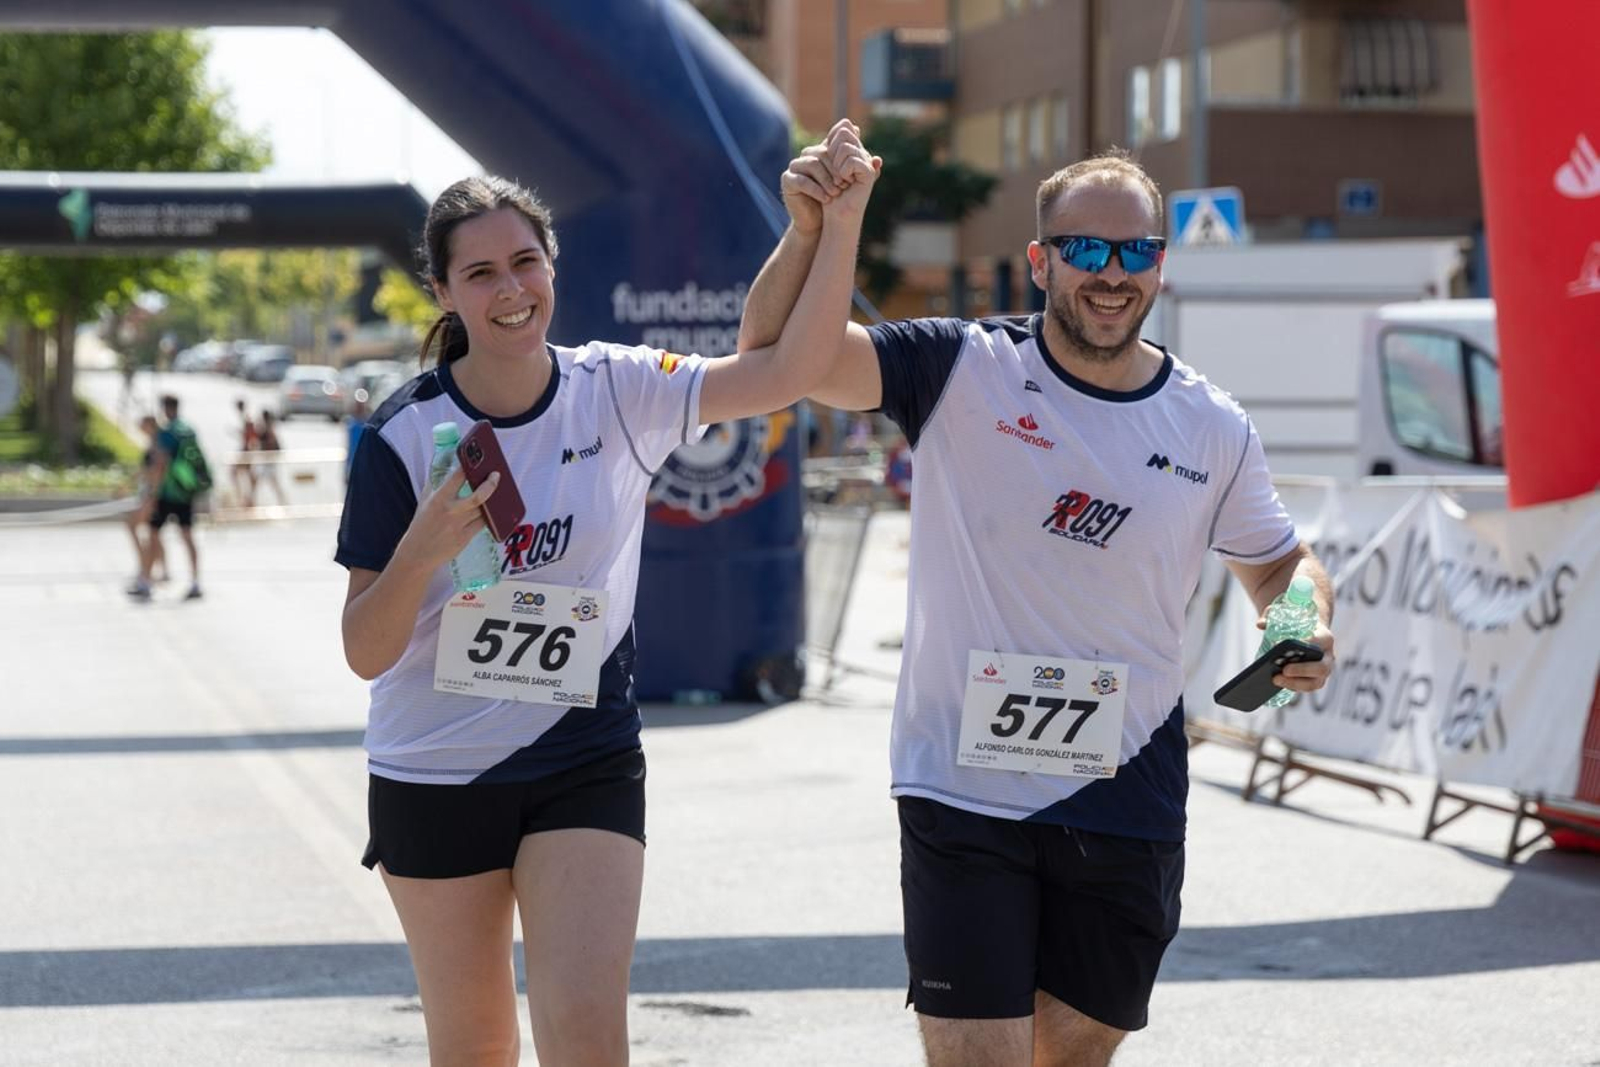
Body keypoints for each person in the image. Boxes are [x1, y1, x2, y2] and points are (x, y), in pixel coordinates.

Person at [739, 145, 1337, 1066]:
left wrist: (1299, 620)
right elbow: (775, 358)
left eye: (1135, 252)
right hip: (961, 784)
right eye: (1084, 249)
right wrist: (815, 228)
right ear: (1040, 261)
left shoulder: (1210, 424)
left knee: (1071, 1056)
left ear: (1161, 265)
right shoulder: (958, 365)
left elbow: (1282, 562)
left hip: (1126, 785)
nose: (1111, 273)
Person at [335, 123, 878, 1066]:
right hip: (435, 769)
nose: (511, 290)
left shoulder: (618, 387)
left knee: (588, 1038)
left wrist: (828, 227)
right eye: (480, 274)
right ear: (444, 293)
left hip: (582, 752)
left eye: (525, 262)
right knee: (475, 1046)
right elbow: (363, 651)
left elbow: (786, 372)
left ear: (553, 265)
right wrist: (421, 551)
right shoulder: (401, 436)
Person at [130, 394, 208, 602]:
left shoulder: (166, 433)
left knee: (153, 534)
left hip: (167, 493)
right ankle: (195, 581)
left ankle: (145, 582)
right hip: (185, 491)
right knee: (188, 536)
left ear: (165, 408)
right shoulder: (189, 430)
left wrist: (153, 494)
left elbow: (160, 464)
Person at [123, 414, 167, 587]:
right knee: (153, 532)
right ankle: (158, 569)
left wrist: (153, 496)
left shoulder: (158, 444)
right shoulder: (154, 442)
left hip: (152, 495)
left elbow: (157, 470)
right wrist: (128, 484)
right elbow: (145, 469)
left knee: (142, 529)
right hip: (150, 494)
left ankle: (146, 569)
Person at [252, 410, 287, 507]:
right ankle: (282, 502)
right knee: (262, 482)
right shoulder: (269, 429)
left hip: (268, 461)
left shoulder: (268, 431)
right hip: (266, 461)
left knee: (272, 483)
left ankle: (282, 502)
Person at [230, 398, 259, 507]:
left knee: (237, 473)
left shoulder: (246, 418)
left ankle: (244, 499)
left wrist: (250, 449)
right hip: (246, 450)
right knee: (247, 475)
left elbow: (251, 435)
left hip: (246, 451)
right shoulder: (245, 417)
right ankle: (247, 499)